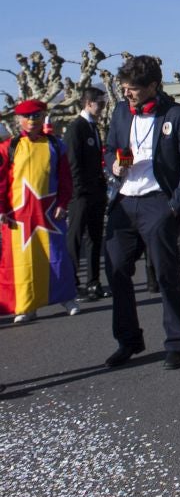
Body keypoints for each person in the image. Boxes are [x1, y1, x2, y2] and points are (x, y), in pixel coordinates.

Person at [104, 55, 180, 370]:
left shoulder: (178, 115)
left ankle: (177, 343)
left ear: (153, 86)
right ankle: (128, 340)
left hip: (158, 201)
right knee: (117, 270)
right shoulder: (119, 113)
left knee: (165, 274)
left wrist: (175, 206)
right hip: (124, 201)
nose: (127, 94)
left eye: (133, 89)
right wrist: (114, 166)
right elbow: (108, 151)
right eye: (124, 88)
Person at [0, 99, 79, 322]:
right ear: (18, 120)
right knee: (22, 261)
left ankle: (67, 297)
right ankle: (26, 305)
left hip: (50, 214)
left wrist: (63, 203)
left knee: (57, 256)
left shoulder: (56, 145)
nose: (32, 121)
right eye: (27, 117)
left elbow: (65, 179)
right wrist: (2, 209)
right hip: (19, 216)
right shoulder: (8, 148)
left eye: (36, 116)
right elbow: (1, 182)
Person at [64, 85, 109, 301]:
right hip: (79, 195)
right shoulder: (76, 128)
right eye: (99, 104)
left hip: (95, 193)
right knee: (75, 239)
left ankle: (94, 282)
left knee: (94, 237)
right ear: (88, 103)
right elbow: (72, 163)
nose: (102, 108)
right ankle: (72, 283)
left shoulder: (93, 127)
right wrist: (78, 191)